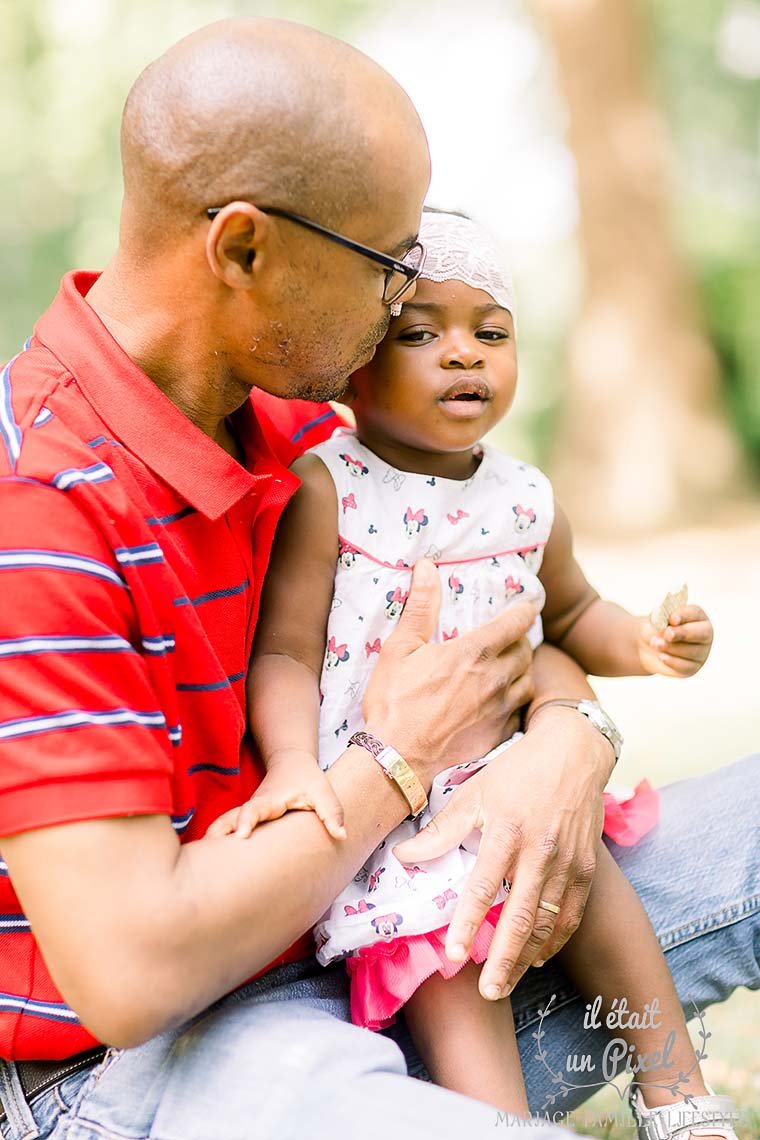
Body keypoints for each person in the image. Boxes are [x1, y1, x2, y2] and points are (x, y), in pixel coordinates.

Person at [0, 17, 756, 1140]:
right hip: (150, 1056)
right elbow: (130, 973)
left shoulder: (317, 437)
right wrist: (394, 763)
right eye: (388, 260)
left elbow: (517, 623)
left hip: (414, 920)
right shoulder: (39, 506)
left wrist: (563, 744)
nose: (410, 294)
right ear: (245, 249)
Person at [210, 209, 739, 1135]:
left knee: (599, 895)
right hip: (390, 809)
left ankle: (679, 1097)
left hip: (505, 772)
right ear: (352, 371)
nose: (463, 356)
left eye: (490, 334)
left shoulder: (524, 499)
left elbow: (572, 615)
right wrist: (294, 766)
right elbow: (287, 651)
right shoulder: (328, 490)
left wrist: (646, 645)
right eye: (421, 335)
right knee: (453, 972)